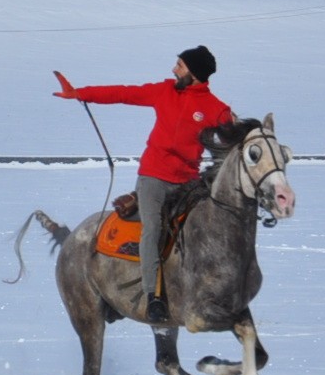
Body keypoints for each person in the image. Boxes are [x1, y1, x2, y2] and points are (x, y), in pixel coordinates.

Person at [56, 47, 233, 323]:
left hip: (188, 181)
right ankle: (153, 298)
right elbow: (123, 93)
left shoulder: (216, 109)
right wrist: (80, 93)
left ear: (195, 74)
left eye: (180, 66)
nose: (174, 70)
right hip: (154, 177)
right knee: (153, 229)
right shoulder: (165, 91)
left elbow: (233, 144)